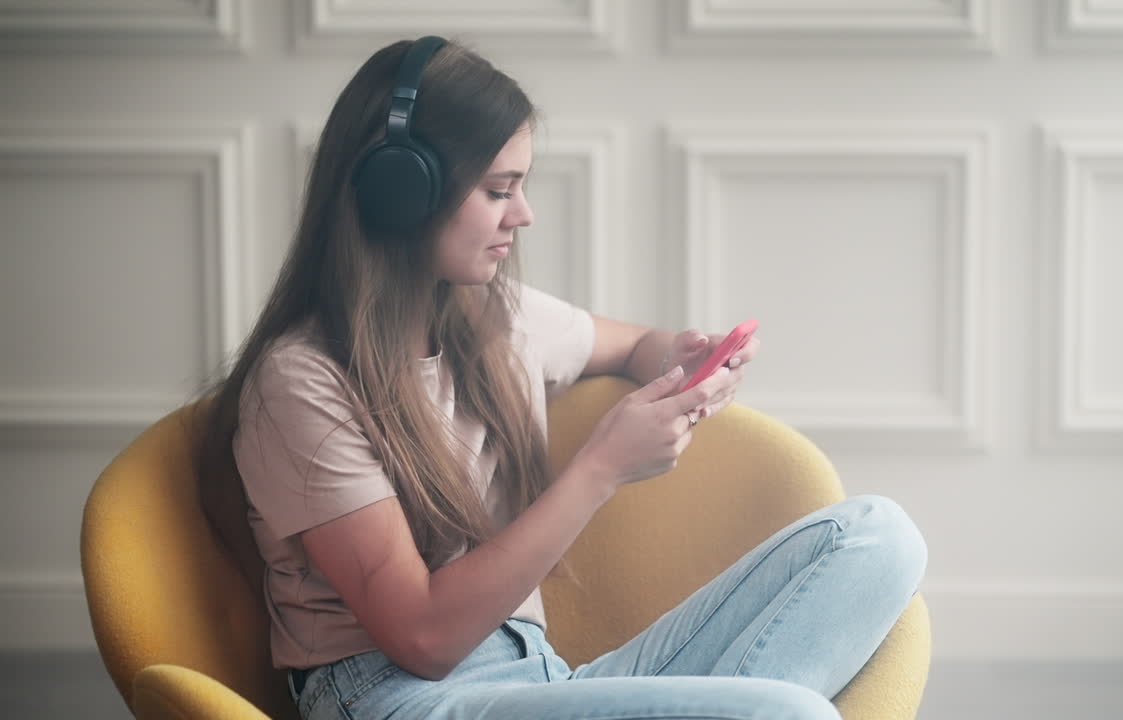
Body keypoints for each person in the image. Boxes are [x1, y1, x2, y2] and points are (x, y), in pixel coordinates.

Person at [193, 35, 927, 720]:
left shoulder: (492, 319)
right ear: (399, 194)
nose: (525, 214)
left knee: (878, 536)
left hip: (540, 681)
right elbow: (421, 637)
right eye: (498, 189)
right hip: (401, 699)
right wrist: (602, 467)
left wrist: (681, 359)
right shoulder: (300, 384)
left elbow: (634, 343)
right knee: (785, 713)